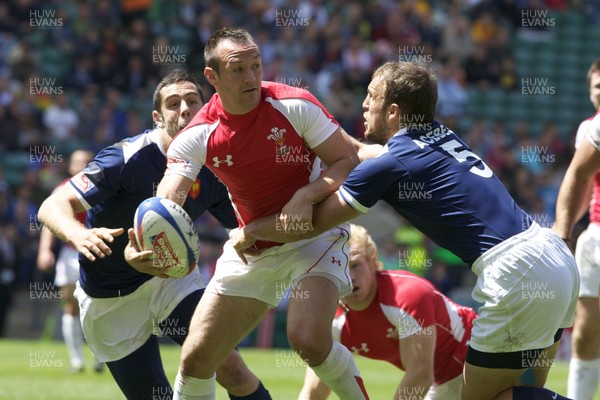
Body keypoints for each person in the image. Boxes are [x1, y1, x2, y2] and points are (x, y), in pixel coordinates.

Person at [231, 61, 579, 400]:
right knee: (521, 392)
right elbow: (363, 151)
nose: (364, 104)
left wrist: (250, 231)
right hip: (553, 257)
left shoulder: (392, 164)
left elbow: (312, 224)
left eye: (371, 96)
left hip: (517, 270)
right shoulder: (438, 135)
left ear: (394, 111)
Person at [156, 27, 369, 400]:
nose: (252, 77)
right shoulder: (199, 133)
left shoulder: (295, 104)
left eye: (256, 65)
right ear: (213, 77)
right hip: (252, 246)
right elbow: (171, 191)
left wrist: (309, 193)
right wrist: (156, 229)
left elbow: (346, 160)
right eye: (238, 70)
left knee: (308, 340)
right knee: (196, 359)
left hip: (314, 236)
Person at [37, 69, 270, 400]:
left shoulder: (215, 166)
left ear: (206, 110)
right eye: (173, 104)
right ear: (158, 118)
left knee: (232, 369)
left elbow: (246, 225)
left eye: (193, 101)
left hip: (173, 280)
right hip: (111, 298)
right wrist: (80, 236)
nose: (185, 109)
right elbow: (52, 205)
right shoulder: (125, 158)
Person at [299, 224, 478, 400]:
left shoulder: (407, 295)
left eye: (355, 265)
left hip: (477, 356)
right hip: (442, 381)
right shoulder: (331, 321)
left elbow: (420, 376)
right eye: (340, 268)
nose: (350, 277)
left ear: (372, 262)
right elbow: (313, 392)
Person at [555, 58, 600, 400]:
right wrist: (562, 231)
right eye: (597, 85)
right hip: (596, 235)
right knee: (585, 332)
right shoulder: (590, 130)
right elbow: (581, 184)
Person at [36, 149, 102, 374]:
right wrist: (45, 250)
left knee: (98, 305)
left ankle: (100, 356)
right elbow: (49, 222)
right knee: (70, 306)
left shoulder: (104, 187)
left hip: (97, 250)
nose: (83, 165)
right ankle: (76, 359)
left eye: (87, 162)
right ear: (71, 167)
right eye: (79, 162)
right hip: (68, 253)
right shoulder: (61, 190)